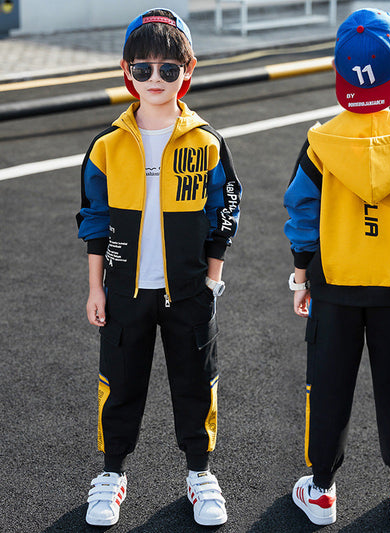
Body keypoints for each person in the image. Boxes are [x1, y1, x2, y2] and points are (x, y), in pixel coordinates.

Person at [76, 8, 241, 527]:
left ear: (187, 72)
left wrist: (212, 278)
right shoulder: (106, 146)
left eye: (168, 69)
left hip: (189, 291)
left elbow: (225, 210)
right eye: (143, 68)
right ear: (126, 72)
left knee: (196, 382)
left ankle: (200, 472)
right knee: (120, 384)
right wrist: (96, 288)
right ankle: (111, 473)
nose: (155, 78)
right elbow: (94, 218)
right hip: (125, 291)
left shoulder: (206, 142)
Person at [284, 8, 390, 526]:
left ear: (340, 74)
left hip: (334, 287)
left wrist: (301, 276)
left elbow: (302, 212)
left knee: (328, 386)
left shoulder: (321, 143)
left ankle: (321, 490)